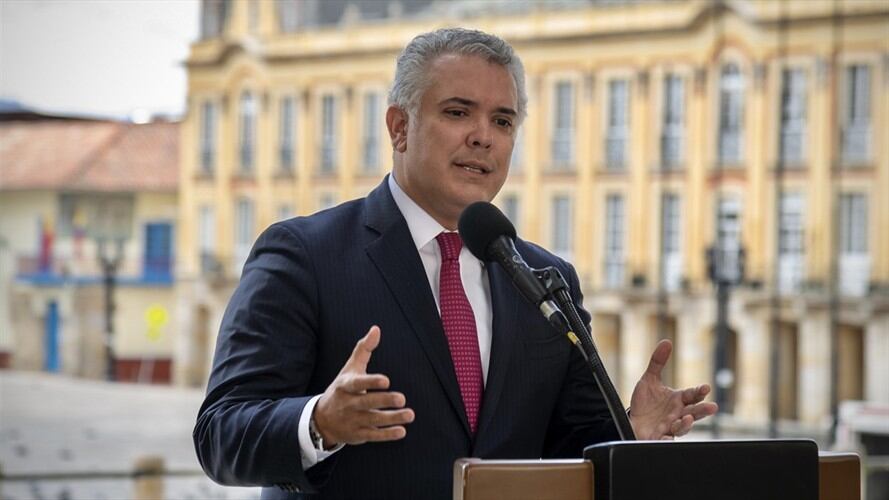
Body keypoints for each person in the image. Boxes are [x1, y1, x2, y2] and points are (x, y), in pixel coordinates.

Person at [194, 28, 717, 500]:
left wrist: (631, 434)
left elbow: (574, 452)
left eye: (503, 120)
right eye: (457, 112)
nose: (483, 136)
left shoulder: (544, 281)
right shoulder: (303, 256)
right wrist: (319, 423)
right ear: (400, 127)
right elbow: (221, 433)